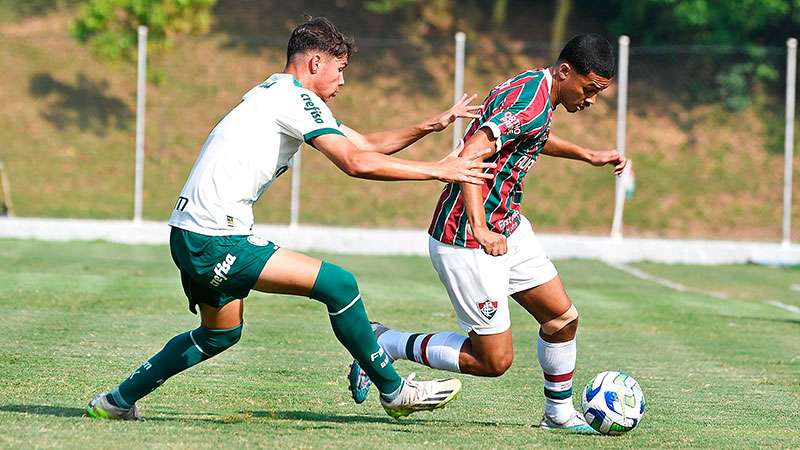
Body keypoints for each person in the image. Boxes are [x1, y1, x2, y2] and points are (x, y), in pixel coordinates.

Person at [86, 16, 497, 421]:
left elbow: (365, 144)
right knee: (339, 284)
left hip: (191, 232)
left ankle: (117, 401)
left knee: (220, 333)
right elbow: (354, 162)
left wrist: (431, 124)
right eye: (340, 70)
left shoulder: (278, 93)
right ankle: (394, 390)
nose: (342, 82)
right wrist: (439, 170)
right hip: (216, 238)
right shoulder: (295, 99)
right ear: (315, 63)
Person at [347, 34, 628, 432]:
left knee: (562, 318)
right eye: (590, 89)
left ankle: (559, 415)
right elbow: (470, 154)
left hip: (508, 227)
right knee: (493, 361)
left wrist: (588, 155)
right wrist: (480, 227)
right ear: (566, 72)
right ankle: (384, 343)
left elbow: (533, 135)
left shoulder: (537, 89)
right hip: (467, 237)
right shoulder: (529, 100)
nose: (591, 100)